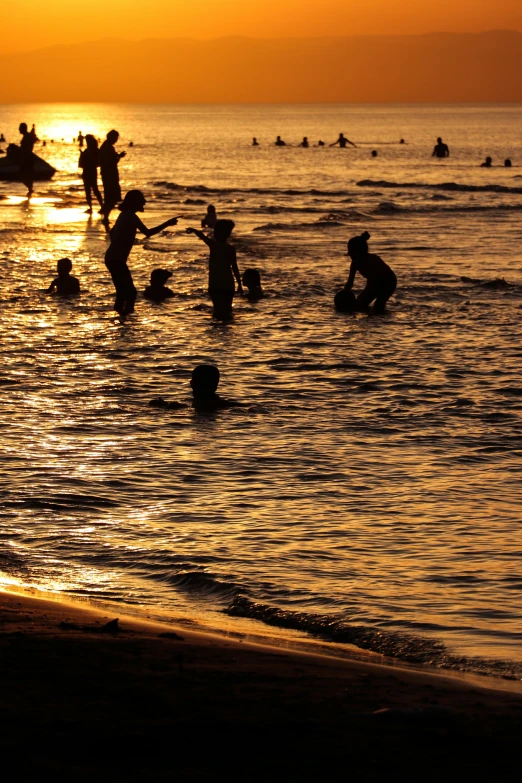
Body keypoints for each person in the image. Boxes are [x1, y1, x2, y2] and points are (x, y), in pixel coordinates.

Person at [105, 189, 178, 316]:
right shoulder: (131, 216)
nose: (143, 205)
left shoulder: (123, 215)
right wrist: (167, 223)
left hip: (113, 258)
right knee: (129, 293)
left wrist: (120, 242)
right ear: (134, 202)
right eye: (141, 202)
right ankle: (125, 316)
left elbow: (111, 233)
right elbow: (148, 233)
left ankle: (121, 315)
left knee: (123, 292)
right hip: (116, 260)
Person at [186, 219, 243, 319]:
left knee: (217, 311)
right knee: (228, 310)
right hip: (228, 284)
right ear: (228, 233)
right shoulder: (230, 248)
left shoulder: (214, 245)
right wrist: (239, 284)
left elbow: (202, 236)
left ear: (216, 233)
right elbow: (235, 267)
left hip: (215, 283)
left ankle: (217, 329)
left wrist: (193, 230)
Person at [149, 364, 242, 413]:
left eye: (194, 380)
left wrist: (170, 406)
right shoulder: (223, 404)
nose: (190, 383)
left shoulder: (206, 405)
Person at [344, 231, 396, 315]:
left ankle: (381, 319)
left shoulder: (373, 260)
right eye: (351, 254)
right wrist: (345, 294)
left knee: (378, 305)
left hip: (389, 282)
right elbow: (350, 282)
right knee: (360, 303)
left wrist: (363, 296)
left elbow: (373, 282)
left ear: (360, 252)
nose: (351, 257)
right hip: (375, 282)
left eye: (353, 254)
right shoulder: (354, 263)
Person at [100, 130, 126, 223]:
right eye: (115, 138)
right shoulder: (109, 148)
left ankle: (106, 215)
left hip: (107, 174)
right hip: (110, 175)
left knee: (110, 197)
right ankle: (106, 217)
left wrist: (118, 156)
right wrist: (119, 157)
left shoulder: (104, 147)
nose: (116, 140)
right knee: (112, 197)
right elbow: (112, 162)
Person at [78, 135, 103, 214]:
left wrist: (83, 155)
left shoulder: (94, 151)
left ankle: (101, 206)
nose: (86, 142)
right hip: (87, 172)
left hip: (91, 171)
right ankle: (91, 208)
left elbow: (97, 162)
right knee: (89, 190)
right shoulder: (89, 150)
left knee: (94, 190)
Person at [19, 122, 38, 196]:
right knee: (26, 175)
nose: (19, 130)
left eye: (20, 128)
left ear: (23, 128)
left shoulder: (27, 136)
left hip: (27, 158)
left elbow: (27, 148)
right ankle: (30, 189)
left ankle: (30, 189)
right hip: (27, 158)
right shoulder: (27, 136)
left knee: (24, 175)